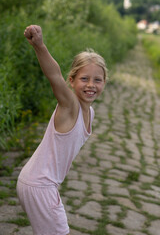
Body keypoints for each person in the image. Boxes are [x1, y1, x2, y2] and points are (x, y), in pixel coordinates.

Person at [16, 25, 107, 235]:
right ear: (72, 81)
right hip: (40, 186)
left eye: (97, 80)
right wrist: (39, 45)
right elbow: (54, 75)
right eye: (84, 79)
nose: (91, 85)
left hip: (41, 184)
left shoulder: (89, 113)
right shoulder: (70, 106)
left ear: (104, 83)